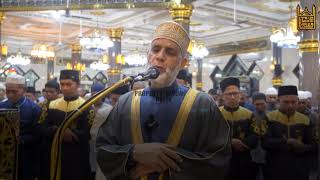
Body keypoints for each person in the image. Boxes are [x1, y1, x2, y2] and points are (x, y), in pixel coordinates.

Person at [96, 21, 231, 180]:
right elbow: (103, 148)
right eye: (156, 49)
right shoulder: (126, 102)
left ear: (183, 63)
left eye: (170, 52)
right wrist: (133, 153)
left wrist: (163, 162)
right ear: (148, 56)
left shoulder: (202, 103)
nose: (160, 57)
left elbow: (218, 157)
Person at [38, 70, 93, 180]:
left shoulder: (86, 106)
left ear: (77, 85)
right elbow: (41, 129)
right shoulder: (51, 105)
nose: (65, 88)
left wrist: (72, 134)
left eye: (69, 84)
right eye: (62, 84)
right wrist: (60, 131)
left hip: (76, 156)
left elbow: (87, 134)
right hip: (53, 153)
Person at [264, 85, 315, 180]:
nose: (290, 105)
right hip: (275, 168)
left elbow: (313, 146)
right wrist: (286, 142)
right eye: (286, 102)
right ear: (279, 101)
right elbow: (265, 142)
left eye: (293, 102)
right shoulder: (269, 118)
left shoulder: (306, 120)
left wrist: (303, 147)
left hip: (299, 168)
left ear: (297, 101)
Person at [0, 74, 41, 180]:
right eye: (8, 91)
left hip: (25, 155)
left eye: (14, 92)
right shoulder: (2, 106)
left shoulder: (34, 109)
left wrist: (20, 140)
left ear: (24, 90)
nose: (10, 95)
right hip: (4, 154)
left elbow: (37, 135)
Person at [219, 77, 258, 180]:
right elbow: (210, 137)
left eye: (235, 93)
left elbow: (255, 136)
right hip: (222, 161)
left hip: (244, 159)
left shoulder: (249, 114)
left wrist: (242, 144)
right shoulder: (215, 114)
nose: (232, 97)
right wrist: (230, 142)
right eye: (229, 94)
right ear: (223, 96)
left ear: (240, 94)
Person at [89, 82, 113, 180]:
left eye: (99, 95)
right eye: (93, 94)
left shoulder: (108, 109)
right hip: (88, 144)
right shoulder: (86, 108)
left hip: (101, 145)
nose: (96, 97)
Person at [251, 93, 269, 180]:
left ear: (266, 103)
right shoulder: (249, 116)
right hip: (253, 153)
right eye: (257, 104)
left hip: (269, 153)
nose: (260, 106)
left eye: (262, 104)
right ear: (253, 104)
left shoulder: (271, 116)